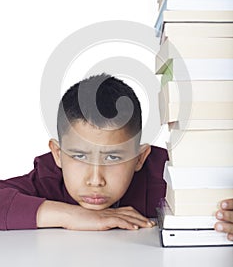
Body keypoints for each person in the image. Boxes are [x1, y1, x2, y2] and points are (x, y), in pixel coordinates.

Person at [0, 74, 232, 241]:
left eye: (112, 158)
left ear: (140, 158)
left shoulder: (166, 175)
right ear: (58, 154)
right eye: (79, 156)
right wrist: (72, 216)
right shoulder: (48, 179)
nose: (95, 179)